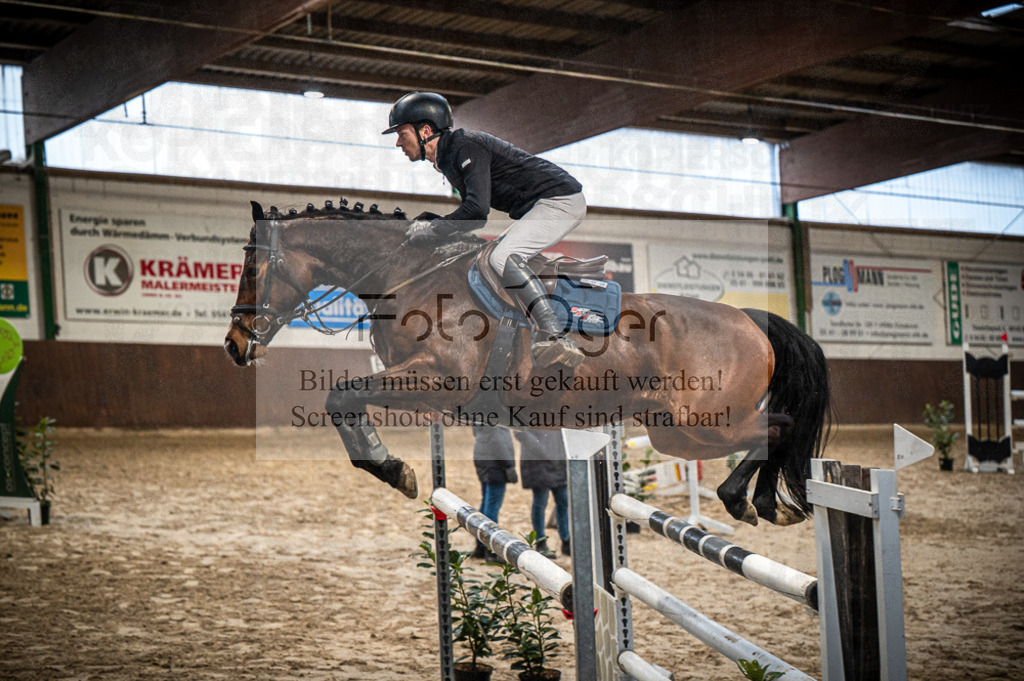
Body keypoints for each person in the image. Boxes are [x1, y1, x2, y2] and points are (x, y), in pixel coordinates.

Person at [382, 91, 587, 368]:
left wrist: (434, 229)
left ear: (425, 131)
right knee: (488, 257)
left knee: (502, 258)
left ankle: (554, 334)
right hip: (541, 205)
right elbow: (471, 215)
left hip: (560, 201)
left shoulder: (465, 146)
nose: (398, 142)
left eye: (401, 133)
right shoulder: (448, 156)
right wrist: (431, 224)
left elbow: (477, 213)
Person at [515, 429, 570, 559]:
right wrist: (540, 448)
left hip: (558, 459)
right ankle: (540, 542)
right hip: (538, 461)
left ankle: (566, 540)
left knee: (563, 501)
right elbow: (519, 431)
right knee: (540, 502)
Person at [471, 424, 517, 560]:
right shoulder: (496, 422)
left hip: (484, 462)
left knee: (486, 504)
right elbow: (499, 442)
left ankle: (480, 545)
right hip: (495, 466)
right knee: (492, 507)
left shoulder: (481, 422)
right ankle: (490, 548)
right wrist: (509, 466)